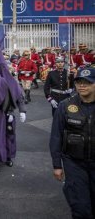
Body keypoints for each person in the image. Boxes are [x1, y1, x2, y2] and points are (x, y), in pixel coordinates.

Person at [49, 67, 95, 219]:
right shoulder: (65, 106)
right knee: (81, 208)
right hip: (74, 163)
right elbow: (56, 136)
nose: (82, 86)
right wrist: (57, 165)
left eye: (87, 83)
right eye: (79, 82)